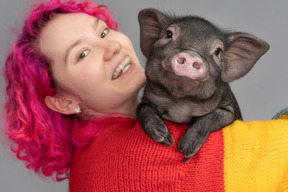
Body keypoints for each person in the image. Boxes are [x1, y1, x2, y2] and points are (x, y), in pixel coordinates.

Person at [2, 0, 288, 191]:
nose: (112, 47)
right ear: (64, 101)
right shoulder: (148, 157)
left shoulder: (91, 156)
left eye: (103, 33)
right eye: (83, 54)